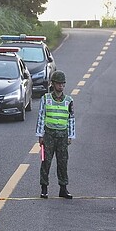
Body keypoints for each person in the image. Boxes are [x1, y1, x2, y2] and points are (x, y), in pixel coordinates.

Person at [35, 70, 75, 199]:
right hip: (49, 135)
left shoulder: (69, 100)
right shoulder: (46, 99)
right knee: (46, 161)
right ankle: (44, 188)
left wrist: (70, 136)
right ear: (53, 84)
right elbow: (41, 116)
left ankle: (63, 188)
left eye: (63, 84)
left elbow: (71, 119)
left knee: (63, 162)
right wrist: (40, 135)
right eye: (58, 83)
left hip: (63, 135)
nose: (61, 86)